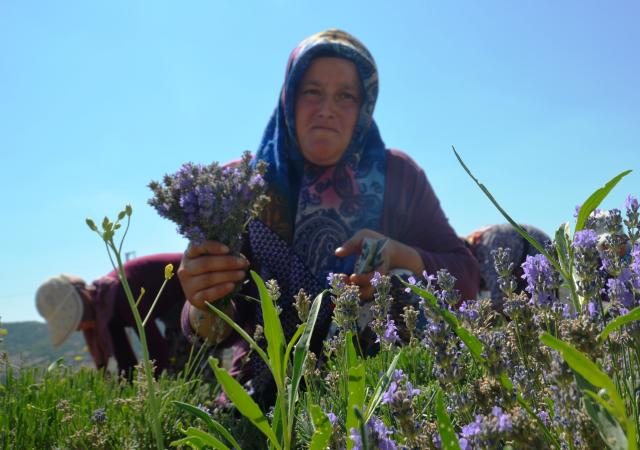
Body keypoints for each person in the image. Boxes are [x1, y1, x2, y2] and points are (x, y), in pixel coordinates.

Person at [177, 29, 480, 402]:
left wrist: (400, 256)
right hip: (266, 400)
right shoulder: (238, 188)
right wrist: (202, 302)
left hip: (379, 393)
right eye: (312, 92)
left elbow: (465, 277)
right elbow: (207, 332)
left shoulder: (399, 176)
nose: (327, 109)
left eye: (346, 96)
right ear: (289, 97)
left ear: (364, 105)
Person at [35, 253, 190, 377]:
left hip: (194, 285)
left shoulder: (121, 294)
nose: (77, 329)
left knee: (184, 366)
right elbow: (126, 363)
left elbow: (156, 348)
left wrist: (145, 392)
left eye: (75, 323)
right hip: (172, 308)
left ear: (82, 309)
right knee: (176, 367)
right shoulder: (105, 311)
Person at [464, 223, 551, 309]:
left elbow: (498, 295)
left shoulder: (484, 250)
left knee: (542, 304)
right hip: (531, 243)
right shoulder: (478, 238)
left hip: (537, 248)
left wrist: (488, 317)